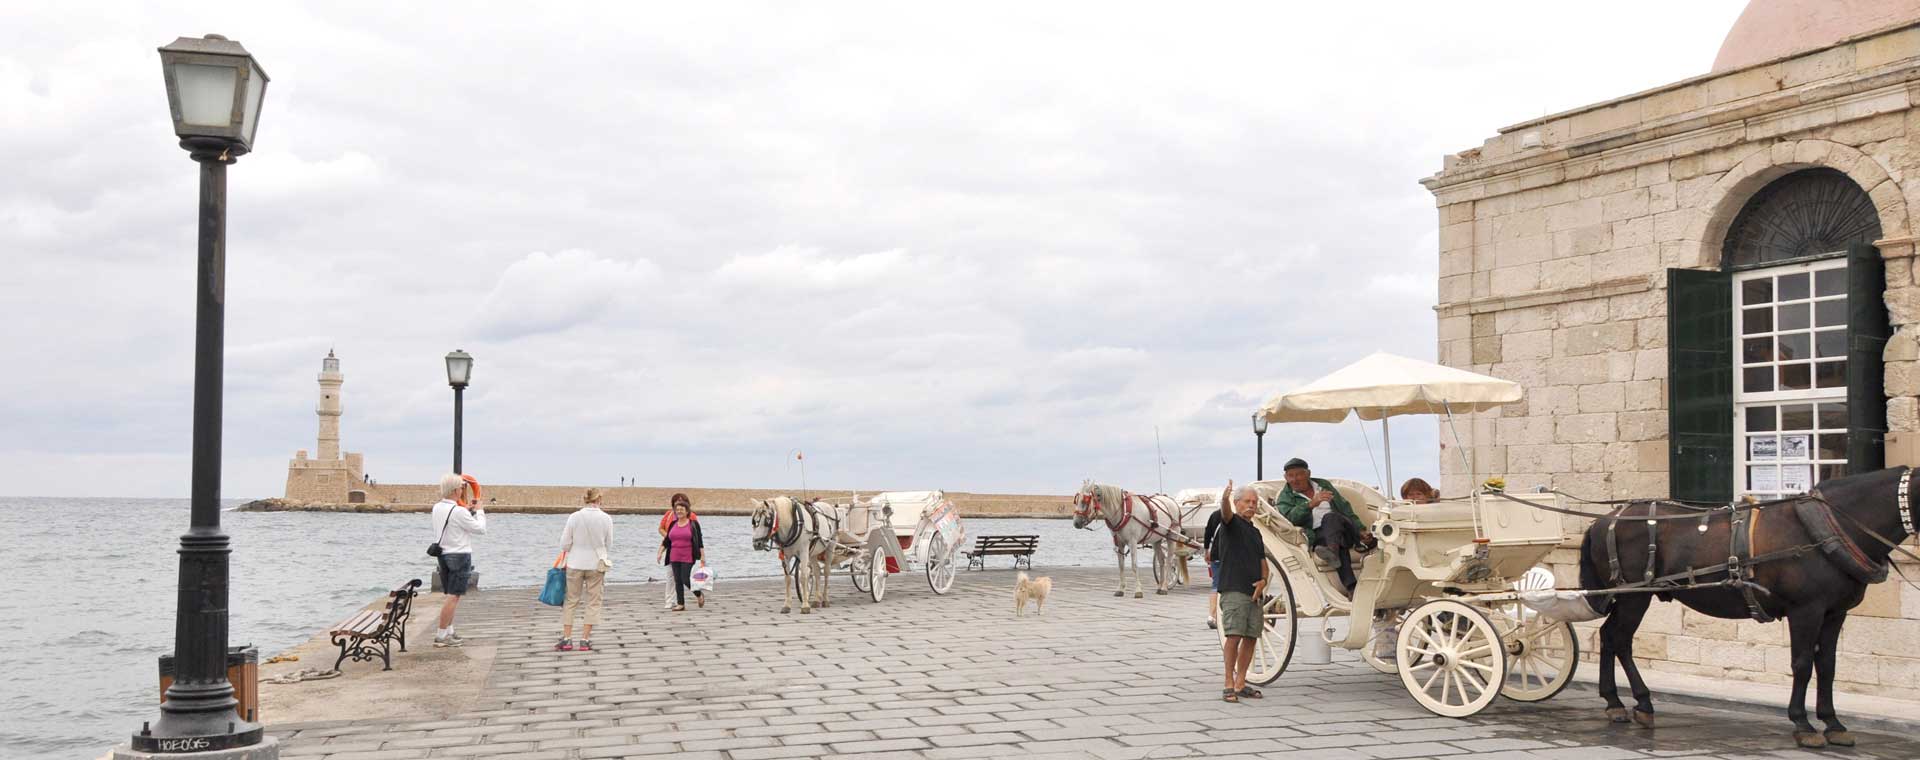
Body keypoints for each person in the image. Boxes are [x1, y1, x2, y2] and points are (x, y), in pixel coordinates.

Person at [1271, 458, 1371, 595]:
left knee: (1330, 518)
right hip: (1318, 535)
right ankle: (1352, 587)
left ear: (1308, 474)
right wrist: (1310, 504)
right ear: (1285, 477)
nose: (1294, 479)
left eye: (1298, 474)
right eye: (1290, 476)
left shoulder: (1323, 485)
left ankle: (1334, 550)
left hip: (1342, 527)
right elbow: (1289, 519)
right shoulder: (1285, 497)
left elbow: (1344, 507)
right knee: (1336, 543)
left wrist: (1360, 529)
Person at [1214, 480, 1270, 703]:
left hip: (1254, 592)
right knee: (1234, 636)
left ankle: (1241, 682)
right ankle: (1228, 682)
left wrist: (1264, 581)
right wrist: (1224, 499)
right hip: (1234, 588)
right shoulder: (1232, 524)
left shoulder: (1255, 532)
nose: (1251, 505)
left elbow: (1262, 561)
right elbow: (1225, 514)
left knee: (1251, 637)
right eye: (1247, 501)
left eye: (1254, 502)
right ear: (1237, 503)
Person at [430, 473, 486, 647]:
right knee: (454, 596)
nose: (463, 490)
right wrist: (480, 511)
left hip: (443, 555)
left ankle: (449, 631)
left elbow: (455, 523)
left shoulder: (437, 507)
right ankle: (441, 636)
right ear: (456, 490)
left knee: (450, 595)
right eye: (461, 487)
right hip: (459, 555)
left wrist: (468, 511)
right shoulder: (459, 511)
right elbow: (480, 529)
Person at [556, 488, 614, 652]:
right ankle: (585, 639)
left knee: (571, 601)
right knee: (593, 602)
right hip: (596, 564)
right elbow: (609, 544)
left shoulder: (574, 517)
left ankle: (567, 639)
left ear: (585, 499)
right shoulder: (606, 518)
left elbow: (564, 544)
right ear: (599, 499)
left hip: (575, 563)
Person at [657, 496, 705, 611]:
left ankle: (698, 594)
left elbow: (700, 541)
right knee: (677, 580)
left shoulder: (693, 524)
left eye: (681, 509)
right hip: (674, 555)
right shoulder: (673, 524)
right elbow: (667, 540)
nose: (679, 511)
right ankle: (680, 604)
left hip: (688, 555)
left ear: (687, 511)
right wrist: (660, 552)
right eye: (677, 509)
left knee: (685, 579)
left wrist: (703, 556)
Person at [1202, 503, 1225, 630]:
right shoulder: (1236, 516)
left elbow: (1207, 533)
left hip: (1215, 554)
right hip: (1228, 555)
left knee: (1216, 585)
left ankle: (1212, 615)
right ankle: (1219, 615)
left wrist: (1206, 551)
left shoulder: (1215, 515)